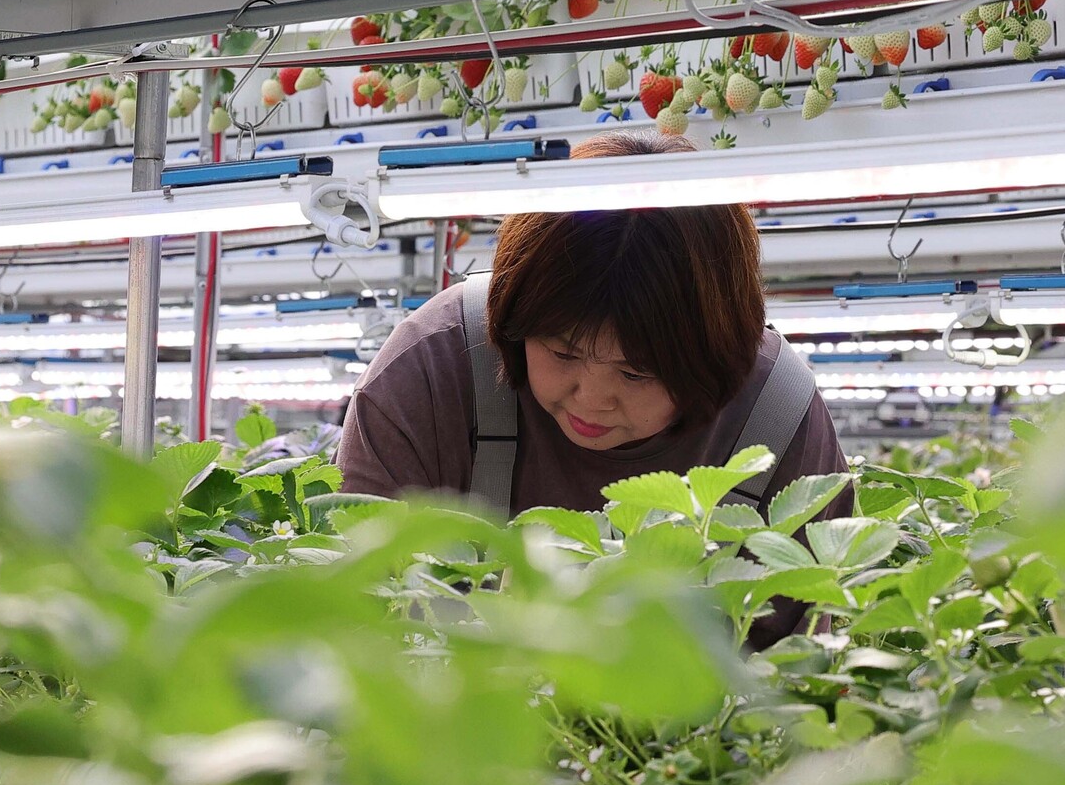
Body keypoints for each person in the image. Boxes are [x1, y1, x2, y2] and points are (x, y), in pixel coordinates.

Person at [338, 130, 850, 643]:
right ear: (515, 324)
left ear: (711, 357)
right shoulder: (428, 373)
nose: (591, 398)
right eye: (562, 353)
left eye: (636, 373)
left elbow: (794, 675)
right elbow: (348, 619)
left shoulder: (778, 419)